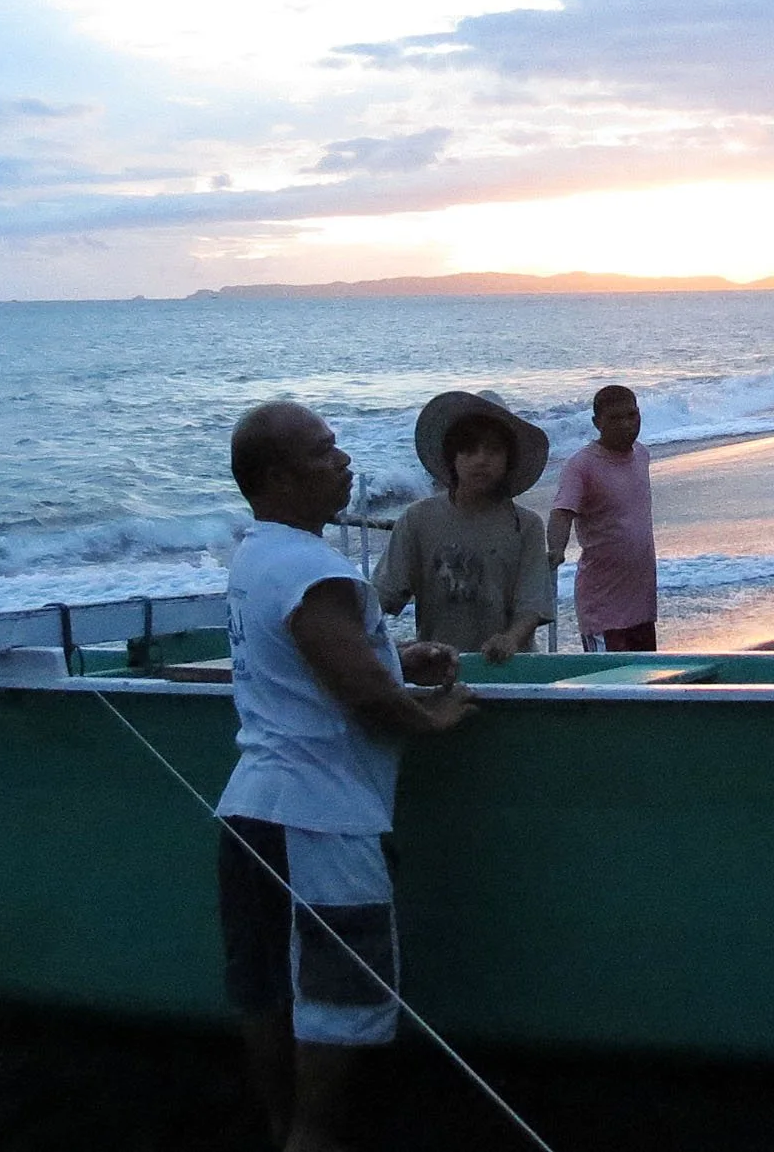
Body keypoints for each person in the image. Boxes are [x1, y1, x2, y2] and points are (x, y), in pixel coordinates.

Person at [216, 401, 474, 1152]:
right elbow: (361, 694)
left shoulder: (256, 556)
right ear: (275, 477)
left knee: (268, 987)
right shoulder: (313, 568)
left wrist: (397, 656)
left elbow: (308, 662)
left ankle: (284, 1130)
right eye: (324, 452)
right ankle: (313, 1136)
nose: (344, 462)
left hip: (253, 806)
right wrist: (430, 718)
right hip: (320, 817)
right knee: (338, 997)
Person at [375, 391, 555, 663]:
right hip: (438, 665)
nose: (481, 460)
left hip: (509, 667)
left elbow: (531, 605)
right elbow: (383, 595)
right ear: (452, 457)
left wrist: (509, 640)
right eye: (469, 450)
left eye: (494, 450)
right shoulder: (418, 519)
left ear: (509, 460)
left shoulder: (526, 525)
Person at [548, 384, 658, 652]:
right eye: (615, 418)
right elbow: (562, 512)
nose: (627, 424)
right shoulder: (581, 465)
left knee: (647, 676)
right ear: (597, 423)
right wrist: (556, 550)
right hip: (602, 606)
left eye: (632, 415)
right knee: (610, 678)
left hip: (642, 602)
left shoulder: (642, 455)